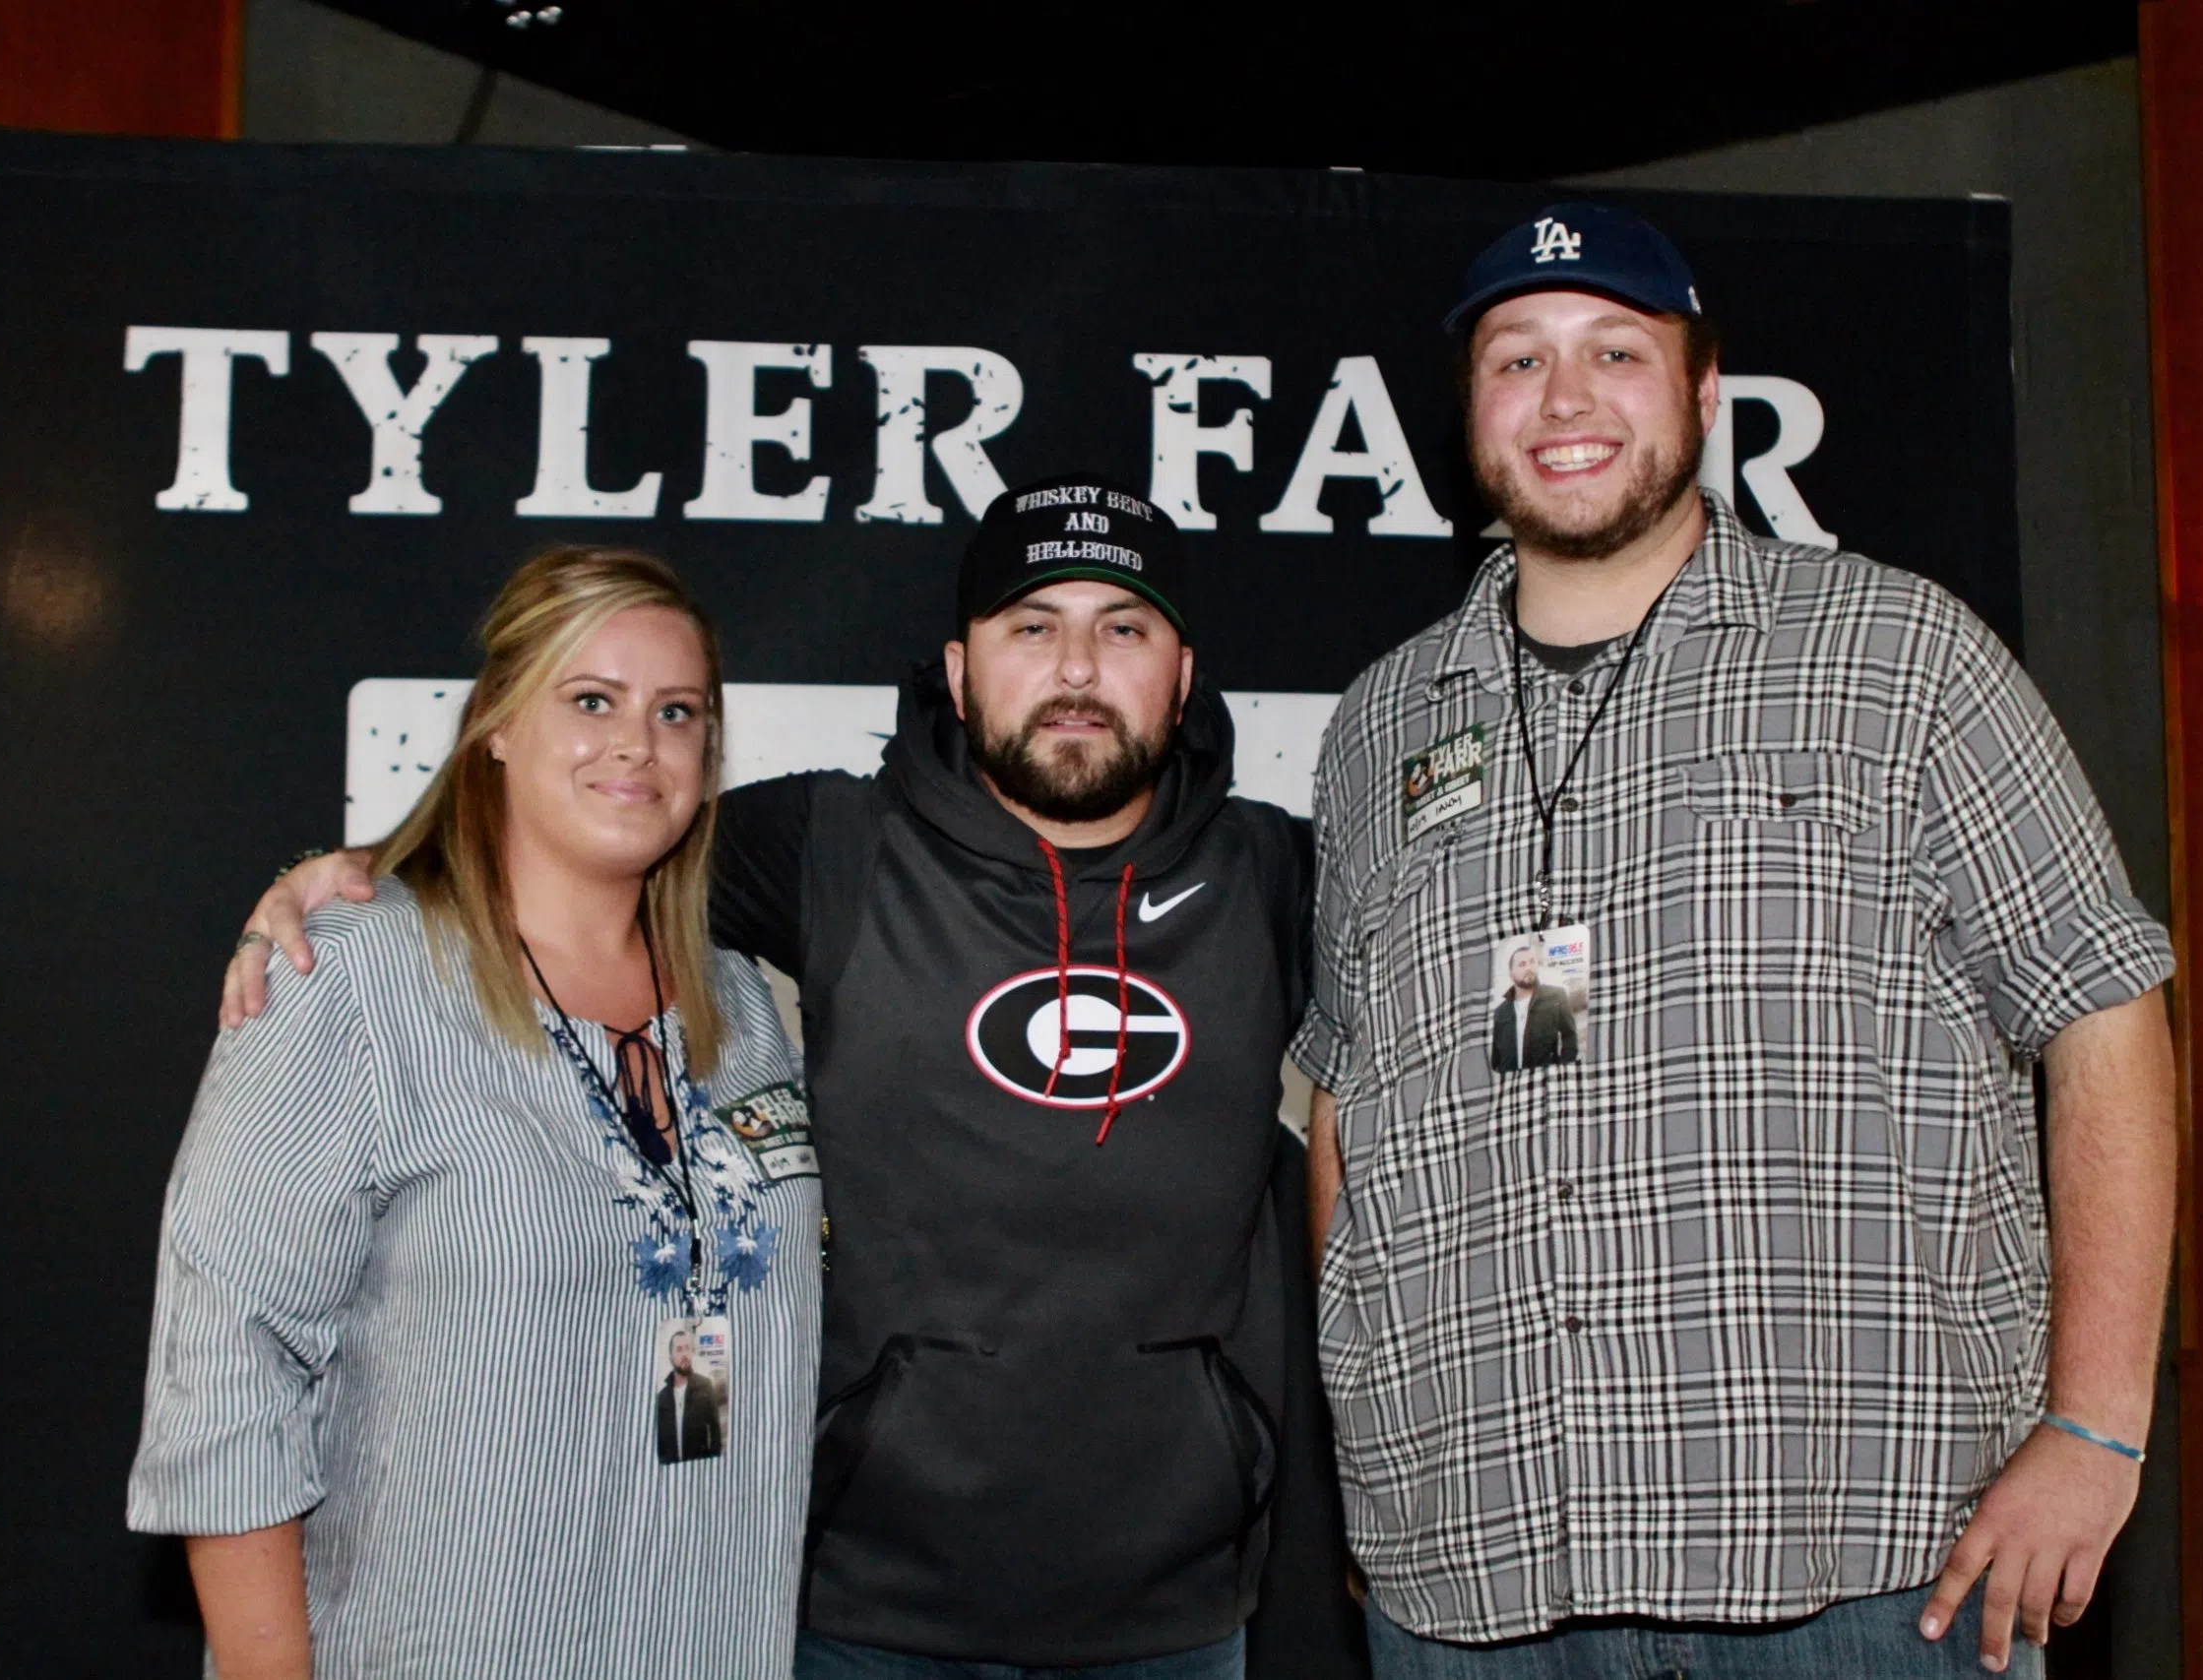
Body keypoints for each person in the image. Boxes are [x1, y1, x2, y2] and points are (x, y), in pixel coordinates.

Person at [228, 480, 1363, 1680]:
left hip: (1171, 1614)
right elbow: (586, 837)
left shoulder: (1276, 875)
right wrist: (360, 868)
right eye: (1032, 626)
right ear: (959, 671)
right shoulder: (833, 844)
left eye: (1121, 628)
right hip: (860, 1605)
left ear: (1181, 678)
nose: (1076, 668)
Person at [1298, 204, 2177, 1678]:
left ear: (1704, 394)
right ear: (1469, 412)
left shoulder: (1901, 655)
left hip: (1869, 1575)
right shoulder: (1381, 724)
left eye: (1615, 352)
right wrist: (1375, 1456)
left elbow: (2103, 1007)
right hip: (1473, 1579)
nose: (1564, 399)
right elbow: (1346, 1097)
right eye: (1518, 358)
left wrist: (2095, 1427)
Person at [131, 547, 820, 1679]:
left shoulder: (743, 1004)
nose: (636, 743)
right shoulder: (350, 978)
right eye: (590, 700)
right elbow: (226, 1371)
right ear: (495, 724)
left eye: (676, 711)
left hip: (708, 1638)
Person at [1485, 937, 1576, 1071]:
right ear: (1511, 974)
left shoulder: (1556, 996)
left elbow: (1570, 1034)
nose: (1529, 968)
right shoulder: (1499, 1012)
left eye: (1532, 962)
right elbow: (1495, 1056)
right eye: (1522, 964)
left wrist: (1564, 1065)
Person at [657, 1325, 727, 1462]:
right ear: (671, 1357)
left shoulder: (705, 1386)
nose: (684, 1354)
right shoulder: (661, 1398)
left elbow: (715, 1431)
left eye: (687, 1348)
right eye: (679, 1349)